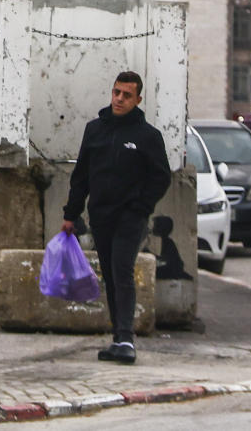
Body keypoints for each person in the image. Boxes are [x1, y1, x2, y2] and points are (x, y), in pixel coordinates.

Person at [61, 70, 172, 364]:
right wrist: (71, 214)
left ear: (138, 99)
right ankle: (117, 338)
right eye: (116, 93)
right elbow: (81, 176)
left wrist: (141, 207)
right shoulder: (95, 130)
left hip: (130, 219)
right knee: (110, 274)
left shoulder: (147, 136)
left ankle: (126, 339)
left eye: (126, 95)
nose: (119, 99)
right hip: (101, 216)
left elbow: (160, 178)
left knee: (122, 270)